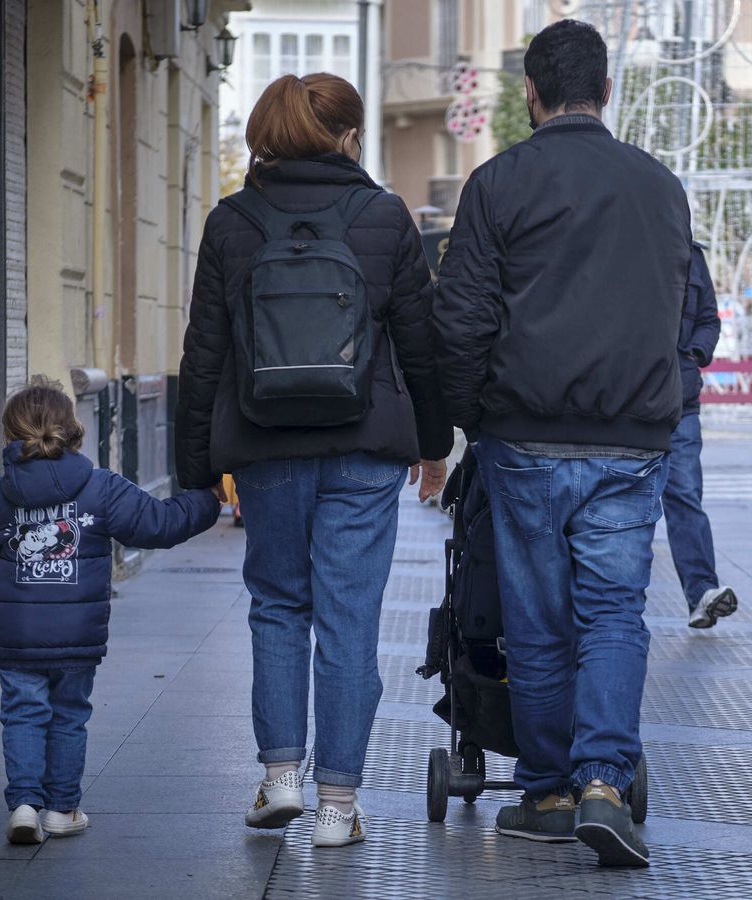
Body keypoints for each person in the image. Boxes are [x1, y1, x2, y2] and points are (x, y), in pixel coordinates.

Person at [434, 19, 689, 868]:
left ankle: (545, 788)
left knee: (538, 622)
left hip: (527, 437)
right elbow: (686, 312)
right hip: (630, 441)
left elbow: (462, 318)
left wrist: (474, 418)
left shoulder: (497, 183)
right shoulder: (660, 187)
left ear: (532, 95)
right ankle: (606, 784)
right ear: (606, 90)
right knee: (615, 612)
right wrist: (666, 393)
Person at [174, 73, 452, 843]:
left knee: (278, 605)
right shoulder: (385, 215)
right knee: (350, 619)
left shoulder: (232, 221)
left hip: (266, 447)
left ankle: (279, 778)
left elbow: (204, 353)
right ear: (348, 136)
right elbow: (422, 348)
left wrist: (196, 467)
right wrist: (434, 446)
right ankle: (338, 806)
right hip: (366, 445)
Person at [0, 377, 220, 845]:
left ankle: (24, 804)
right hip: (78, 634)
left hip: (18, 634)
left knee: (22, 713)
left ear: (9, 434)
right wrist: (206, 499)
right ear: (74, 432)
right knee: (69, 715)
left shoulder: (0, 493)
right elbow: (160, 525)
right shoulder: (100, 488)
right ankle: (62, 809)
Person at [669, 242, 739, 628]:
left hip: (681, 400)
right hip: (628, 403)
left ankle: (701, 593)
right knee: (628, 508)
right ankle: (616, 610)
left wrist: (694, 353)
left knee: (685, 497)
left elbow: (709, 318)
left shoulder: (692, 255)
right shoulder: (623, 243)